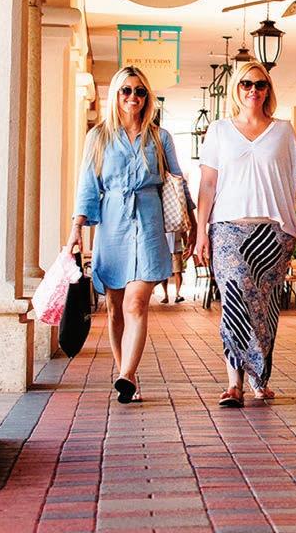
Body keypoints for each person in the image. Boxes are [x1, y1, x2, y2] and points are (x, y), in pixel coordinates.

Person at [194, 61, 296, 407]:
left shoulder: (283, 131)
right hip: (228, 228)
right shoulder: (219, 131)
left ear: (268, 90)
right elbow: (207, 185)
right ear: (236, 90)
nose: (253, 90)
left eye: (260, 84)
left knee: (264, 305)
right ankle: (234, 383)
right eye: (246, 84)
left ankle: (260, 378)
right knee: (234, 301)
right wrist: (200, 232)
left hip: (274, 231)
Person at [67, 66, 196, 404]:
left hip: (149, 223)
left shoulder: (160, 137)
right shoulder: (98, 137)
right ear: (116, 95)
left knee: (136, 302)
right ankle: (127, 373)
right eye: (126, 90)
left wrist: (193, 223)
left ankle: (126, 374)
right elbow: (87, 186)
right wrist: (76, 229)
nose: (133, 97)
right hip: (112, 226)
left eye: (140, 91)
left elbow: (178, 182)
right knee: (114, 308)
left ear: (147, 97)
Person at [159, 230, 186, 304]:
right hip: (164, 248)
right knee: (164, 273)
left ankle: (177, 294)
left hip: (177, 248)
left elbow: (183, 232)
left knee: (178, 271)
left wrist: (186, 245)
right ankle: (165, 295)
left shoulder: (179, 222)